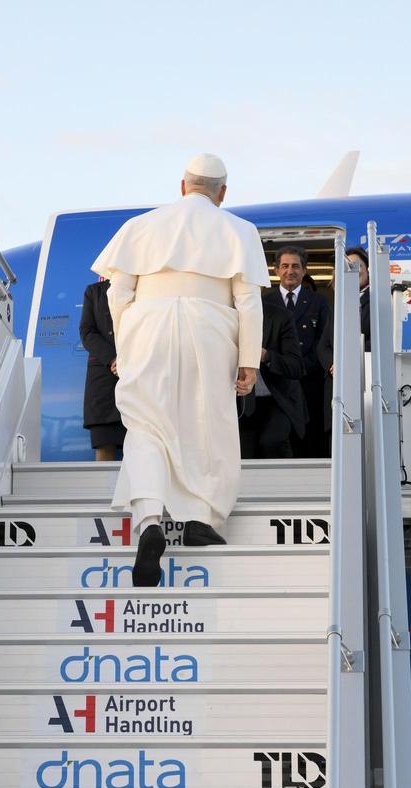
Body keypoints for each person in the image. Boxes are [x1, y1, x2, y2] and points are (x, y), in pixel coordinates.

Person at [90, 153, 269, 587]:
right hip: (209, 326)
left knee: (146, 429)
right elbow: (247, 301)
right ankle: (200, 520)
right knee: (208, 423)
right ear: (221, 193)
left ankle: (150, 521)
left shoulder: (140, 226)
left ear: (182, 185)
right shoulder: (239, 230)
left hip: (147, 325)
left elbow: (117, 292)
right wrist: (248, 361)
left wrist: (127, 339)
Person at [268, 245, 333, 457]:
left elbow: (324, 341)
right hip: (275, 384)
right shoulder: (263, 301)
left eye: (296, 266)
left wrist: (301, 368)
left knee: (310, 437)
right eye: (284, 266)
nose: (290, 271)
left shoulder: (318, 301)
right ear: (276, 270)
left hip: (309, 381)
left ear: (304, 270)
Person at [239, 299, 305, 459]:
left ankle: (284, 483)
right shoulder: (219, 317)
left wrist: (266, 356)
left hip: (277, 401)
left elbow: (296, 367)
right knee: (240, 454)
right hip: (239, 404)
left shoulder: (281, 317)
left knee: (272, 443)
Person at [79, 278, 126, 460]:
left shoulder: (142, 290)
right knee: (104, 443)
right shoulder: (94, 291)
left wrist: (128, 360)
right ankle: (106, 490)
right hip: (103, 379)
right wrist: (113, 359)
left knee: (143, 446)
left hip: (136, 372)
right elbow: (87, 331)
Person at [345, 246, 371, 352]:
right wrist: (332, 363)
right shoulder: (340, 301)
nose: (353, 270)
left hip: (365, 365)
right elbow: (324, 344)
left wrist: (349, 358)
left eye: (358, 265)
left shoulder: (378, 299)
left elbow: (377, 340)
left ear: (368, 269)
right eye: (349, 266)